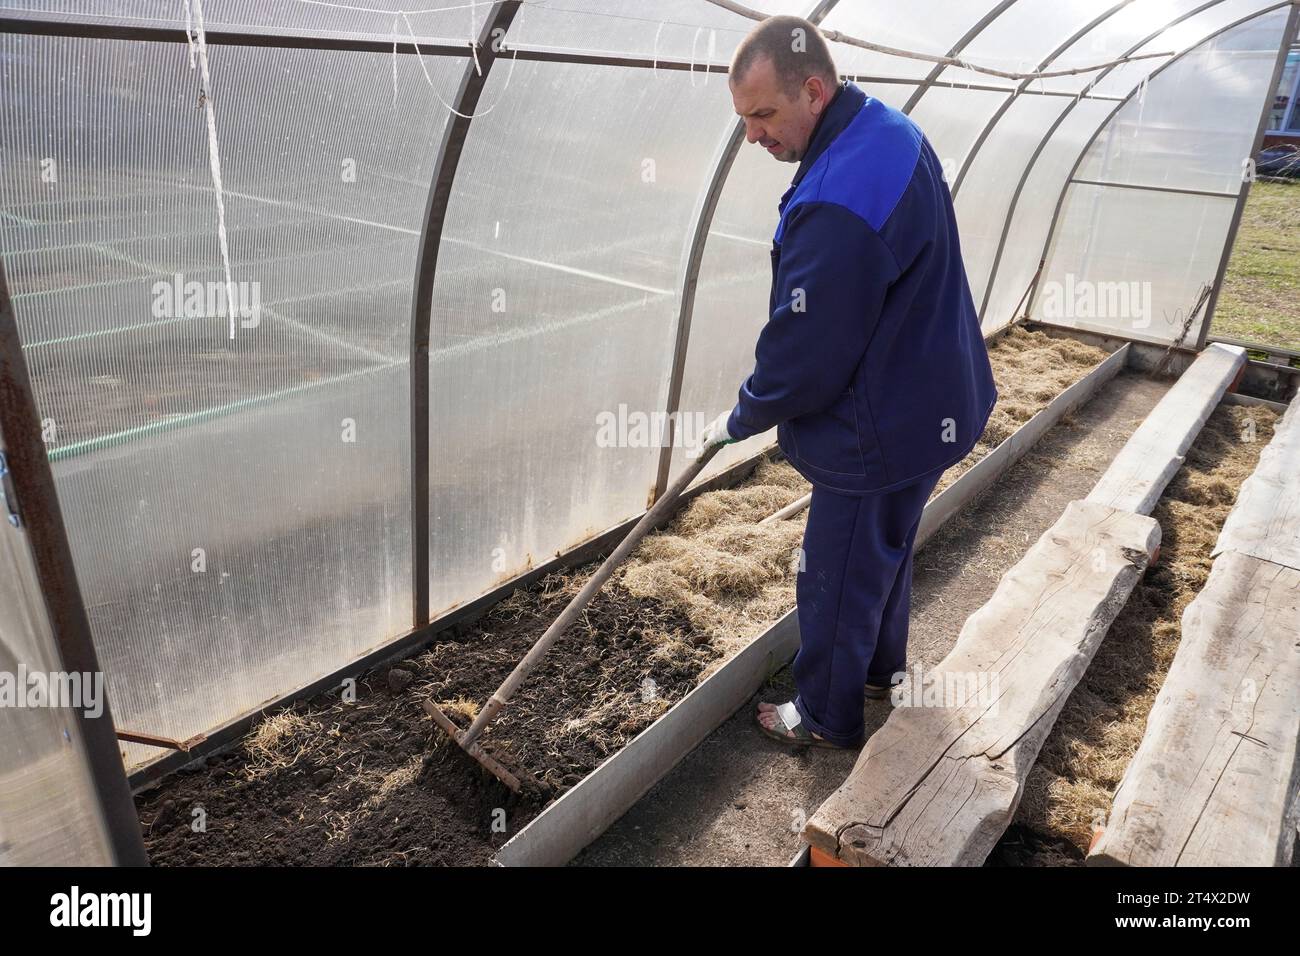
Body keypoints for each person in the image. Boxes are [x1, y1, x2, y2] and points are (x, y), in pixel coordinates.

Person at [691, 15, 997, 748]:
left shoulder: (836, 200)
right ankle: (880, 670)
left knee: (835, 572)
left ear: (815, 92)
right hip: (936, 397)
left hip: (882, 425)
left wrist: (742, 415)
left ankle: (825, 712)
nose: (753, 136)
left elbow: (807, 349)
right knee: (882, 552)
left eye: (764, 115)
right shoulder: (887, 130)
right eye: (742, 119)